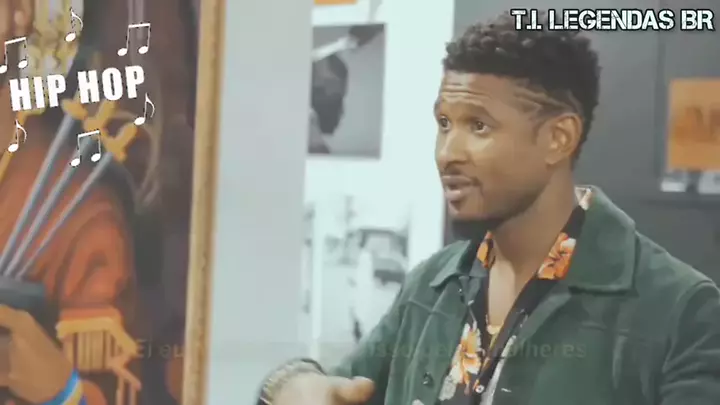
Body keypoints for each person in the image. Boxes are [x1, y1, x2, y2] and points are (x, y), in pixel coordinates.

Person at [257, 11, 720, 405]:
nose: (447, 153)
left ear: (558, 138)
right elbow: (338, 388)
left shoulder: (681, 312)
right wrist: (289, 383)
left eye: (478, 126)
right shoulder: (432, 286)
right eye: (444, 123)